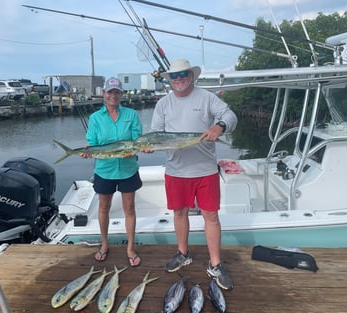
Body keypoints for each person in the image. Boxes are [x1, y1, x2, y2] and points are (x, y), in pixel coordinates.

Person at [150, 59, 237, 289]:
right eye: (174, 75)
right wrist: (148, 145)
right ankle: (182, 253)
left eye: (183, 74)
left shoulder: (206, 97)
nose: (179, 78)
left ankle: (215, 264)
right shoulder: (163, 104)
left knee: (211, 216)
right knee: (179, 213)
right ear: (169, 79)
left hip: (205, 170)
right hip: (176, 170)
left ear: (191, 75)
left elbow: (230, 115)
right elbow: (155, 134)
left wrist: (220, 127)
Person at [81, 77, 143, 267]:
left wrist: (132, 150)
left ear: (121, 94)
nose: (113, 96)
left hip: (128, 168)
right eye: (110, 92)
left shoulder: (131, 115)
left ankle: (130, 248)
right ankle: (104, 244)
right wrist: (88, 149)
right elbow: (92, 141)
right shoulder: (95, 118)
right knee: (103, 208)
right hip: (104, 170)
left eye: (116, 92)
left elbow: (137, 139)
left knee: (129, 209)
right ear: (104, 94)